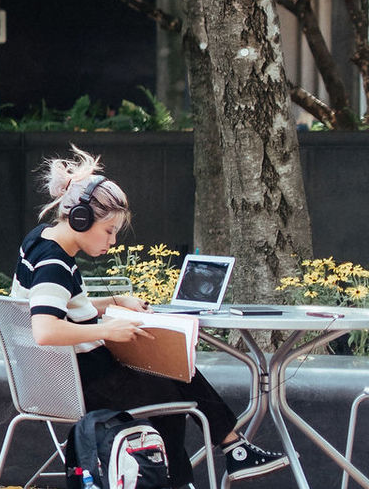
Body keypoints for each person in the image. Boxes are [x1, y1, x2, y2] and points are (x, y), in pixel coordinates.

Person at [16, 147, 287, 485]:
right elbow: (45, 329)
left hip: (62, 378)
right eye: (109, 231)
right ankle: (220, 457)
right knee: (172, 389)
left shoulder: (42, 242)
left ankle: (227, 452)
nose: (112, 242)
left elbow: (63, 307)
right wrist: (111, 331)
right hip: (80, 384)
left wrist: (115, 301)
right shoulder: (54, 263)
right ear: (79, 219)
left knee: (170, 372)